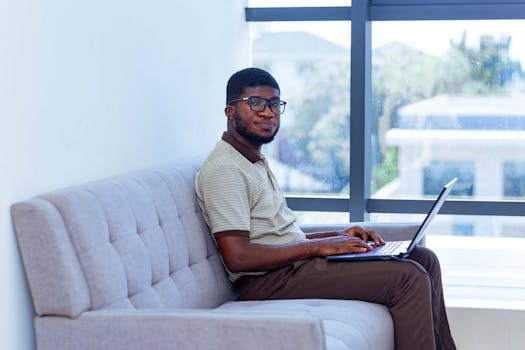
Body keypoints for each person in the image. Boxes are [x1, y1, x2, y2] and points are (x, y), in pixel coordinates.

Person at [194, 67, 456, 350]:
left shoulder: (253, 161)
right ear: (230, 112)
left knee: (424, 258)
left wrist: (339, 236)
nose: (268, 113)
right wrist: (318, 247)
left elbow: (280, 237)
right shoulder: (225, 170)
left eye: (274, 105)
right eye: (255, 103)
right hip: (267, 281)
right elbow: (239, 258)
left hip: (290, 267)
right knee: (408, 279)